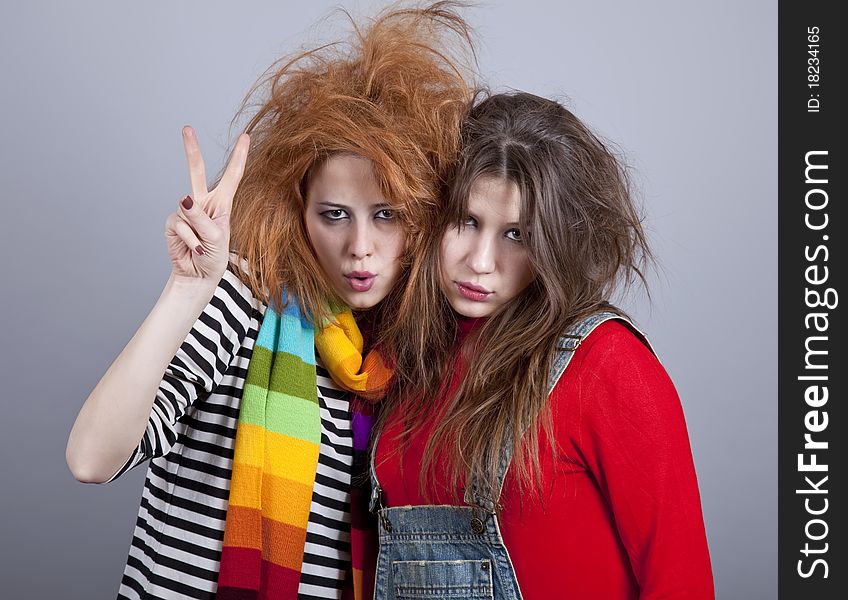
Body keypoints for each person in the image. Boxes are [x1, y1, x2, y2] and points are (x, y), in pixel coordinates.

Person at [65, 4, 474, 599]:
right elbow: (92, 458)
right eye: (335, 215)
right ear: (298, 211)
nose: (360, 248)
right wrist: (185, 292)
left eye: (387, 215)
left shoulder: (406, 357)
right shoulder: (247, 301)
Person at [371, 92, 715, 599]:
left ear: (557, 243)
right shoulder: (397, 359)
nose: (481, 261)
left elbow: (681, 581)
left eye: (516, 234)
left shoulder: (606, 365)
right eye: (466, 222)